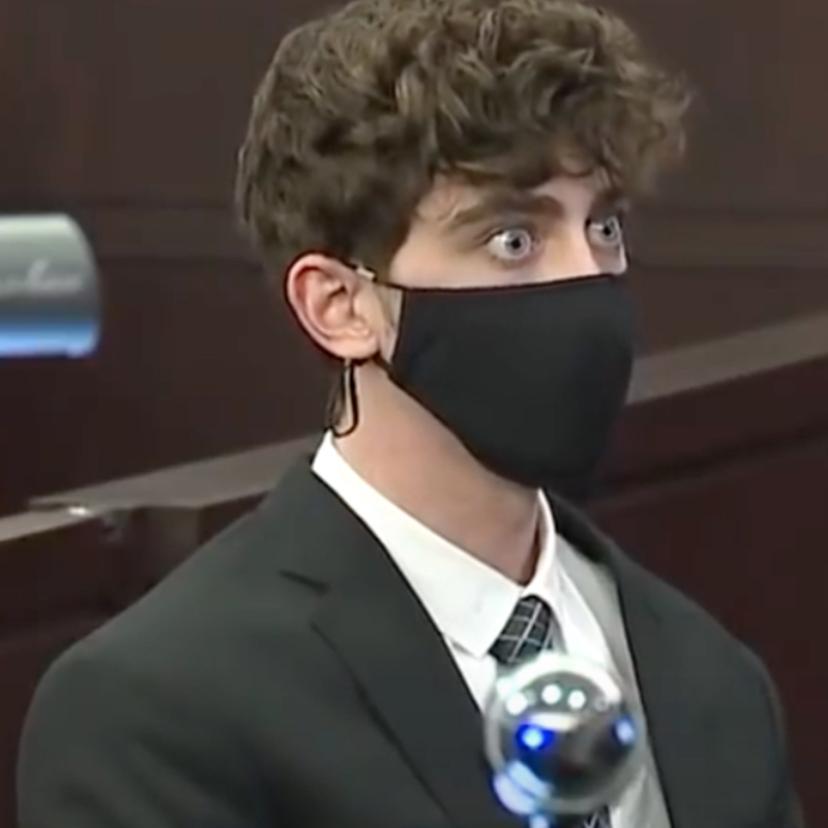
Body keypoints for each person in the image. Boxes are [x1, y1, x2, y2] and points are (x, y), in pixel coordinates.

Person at [17, 0, 805, 826]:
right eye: (513, 239)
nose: (587, 279)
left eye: (603, 227)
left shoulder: (709, 680)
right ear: (340, 306)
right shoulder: (158, 712)